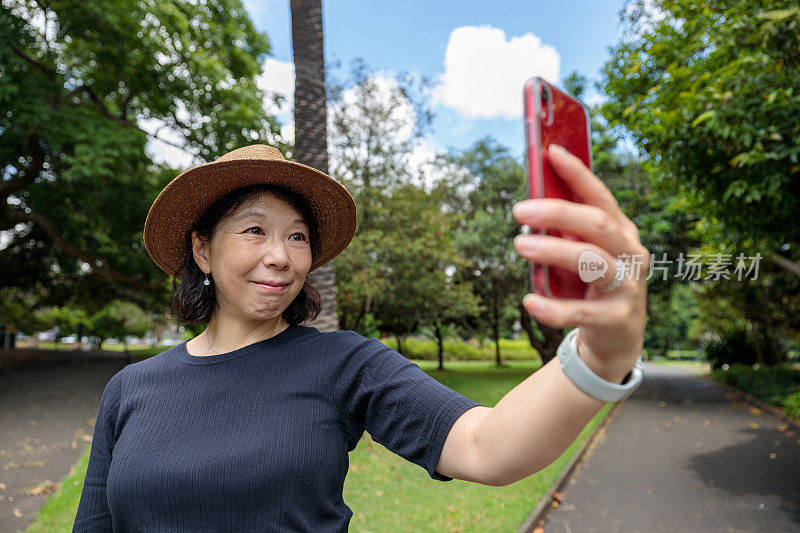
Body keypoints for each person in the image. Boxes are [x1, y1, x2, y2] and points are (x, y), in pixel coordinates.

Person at [73, 143, 649, 532]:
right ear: (203, 249)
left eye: (298, 237)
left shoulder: (343, 362)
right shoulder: (131, 389)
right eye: (255, 231)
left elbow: (485, 444)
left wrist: (600, 355)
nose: (280, 257)